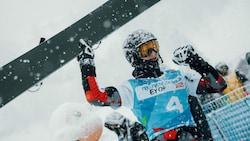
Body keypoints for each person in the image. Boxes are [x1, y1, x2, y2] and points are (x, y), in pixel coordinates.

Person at [77, 29, 226, 141]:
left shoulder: (178, 76)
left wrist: (195, 61)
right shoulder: (130, 89)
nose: (154, 53)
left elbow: (218, 85)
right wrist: (87, 62)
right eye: (145, 50)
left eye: (154, 46)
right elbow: (95, 97)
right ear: (134, 56)